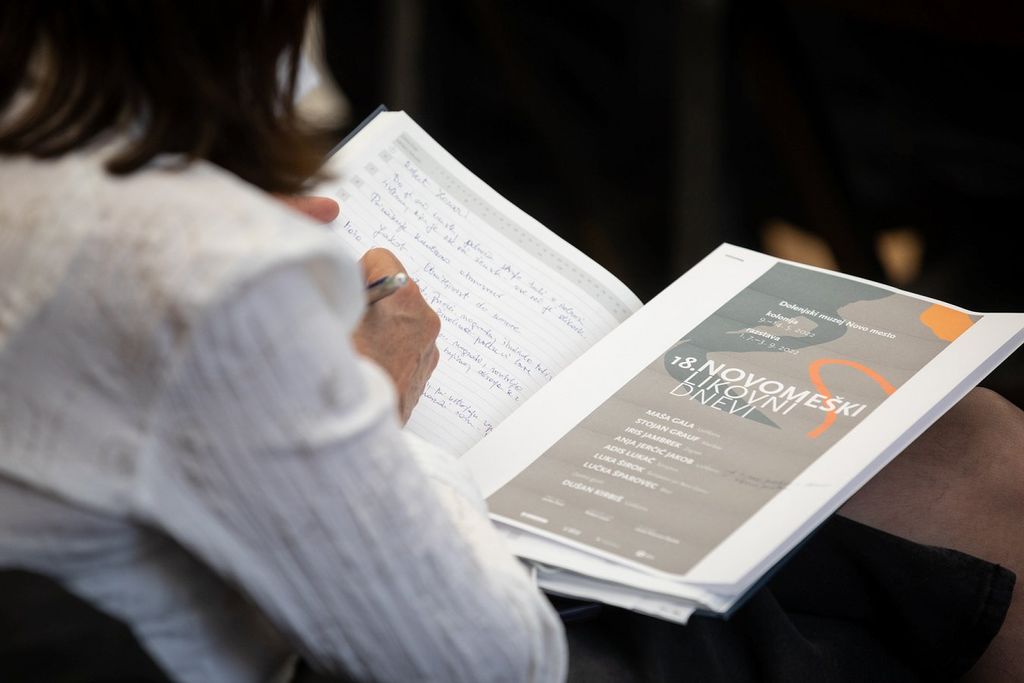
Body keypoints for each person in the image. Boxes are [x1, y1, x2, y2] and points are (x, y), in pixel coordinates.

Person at [0, 3, 1020, 683]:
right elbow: (485, 659)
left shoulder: (57, 162)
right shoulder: (195, 268)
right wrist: (375, 391)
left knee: (951, 439)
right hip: (330, 638)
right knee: (970, 471)